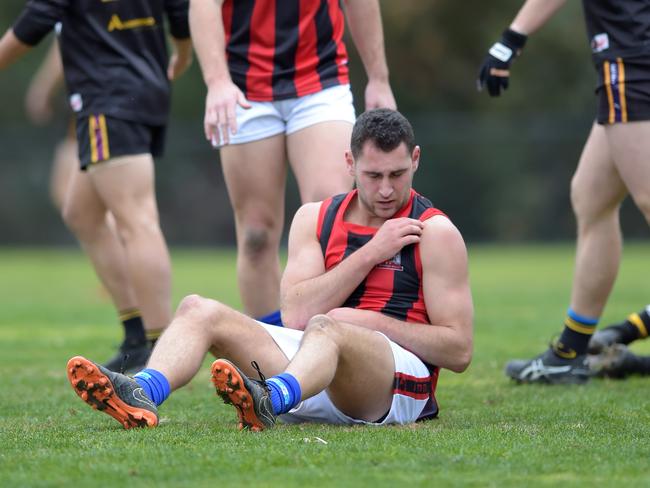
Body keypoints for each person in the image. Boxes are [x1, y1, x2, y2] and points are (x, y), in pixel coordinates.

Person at [66, 109, 473, 431]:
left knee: (329, 328)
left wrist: (364, 322)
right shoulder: (316, 218)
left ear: (415, 161)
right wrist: (370, 253)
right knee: (197, 309)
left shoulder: (435, 232)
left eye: (397, 175)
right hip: (312, 371)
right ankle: (142, 390)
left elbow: (458, 351)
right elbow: (295, 314)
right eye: (373, 176)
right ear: (350, 164)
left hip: (392, 387)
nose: (386, 189)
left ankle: (269, 398)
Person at [0, 0, 193, 372]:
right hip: (143, 92)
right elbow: (181, 18)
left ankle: (159, 346)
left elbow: (30, 27)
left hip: (107, 99)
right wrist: (181, 58)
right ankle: (137, 334)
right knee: (82, 212)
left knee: (137, 221)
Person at [190, 0, 397, 325]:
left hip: (320, 82)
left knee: (331, 219)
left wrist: (378, 78)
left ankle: (335, 346)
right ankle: (269, 354)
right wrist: (217, 82)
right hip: (244, 90)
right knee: (256, 235)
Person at [477, 0, 650, 383]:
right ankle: (570, 353)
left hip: (633, 56)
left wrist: (511, 39)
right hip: (631, 53)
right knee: (592, 194)